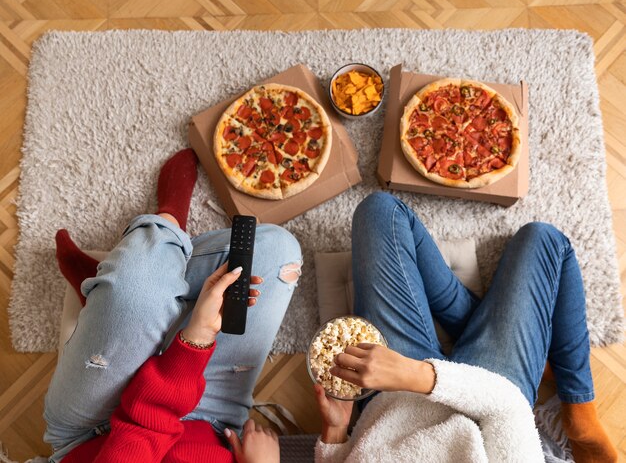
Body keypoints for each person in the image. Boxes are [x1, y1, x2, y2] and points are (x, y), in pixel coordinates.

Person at [314, 192, 618, 463]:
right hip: (487, 396)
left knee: (380, 211)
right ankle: (580, 409)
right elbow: (509, 409)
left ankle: (481, 326)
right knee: (544, 240)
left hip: (388, 399)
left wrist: (336, 431)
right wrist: (413, 374)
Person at [43, 149, 302, 462]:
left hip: (100, 431)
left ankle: (167, 222)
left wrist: (197, 339)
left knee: (136, 290)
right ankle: (114, 296)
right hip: (214, 424)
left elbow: (142, 428)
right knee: (279, 253)